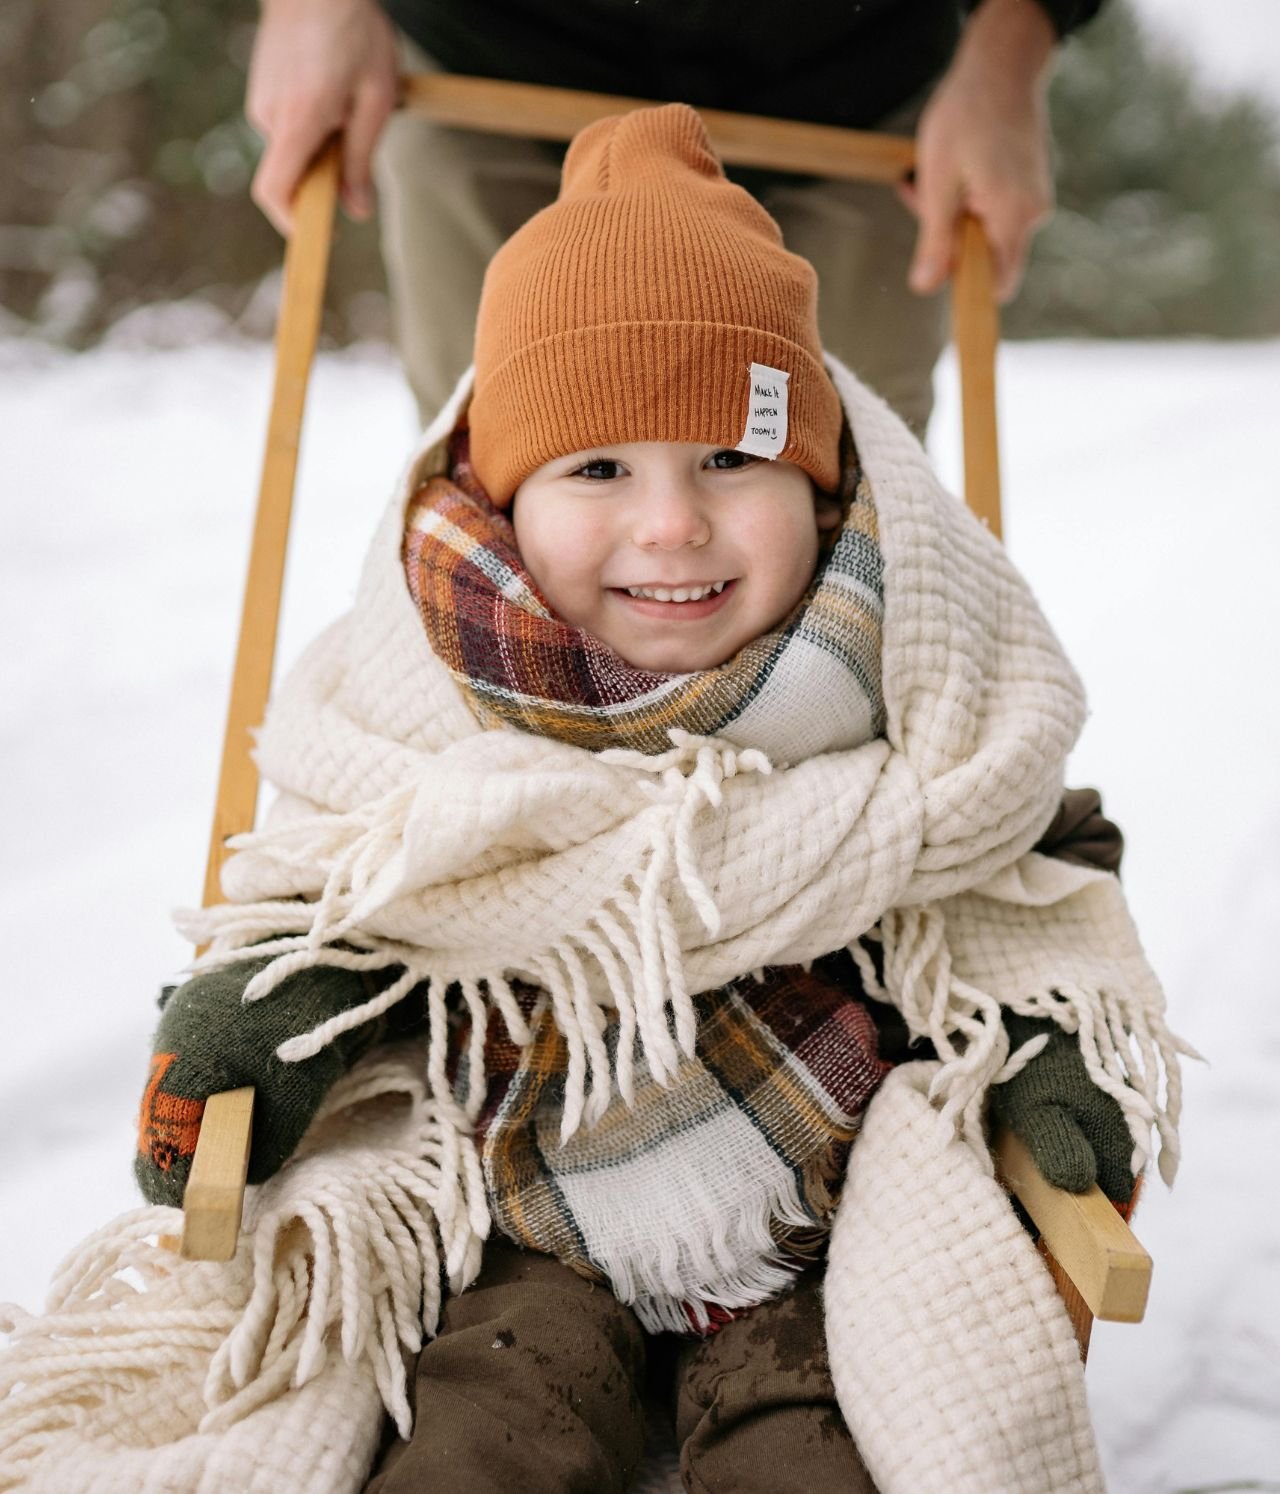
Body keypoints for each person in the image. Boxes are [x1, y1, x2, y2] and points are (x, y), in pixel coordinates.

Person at [134, 104, 1183, 1494]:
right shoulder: (419, 706)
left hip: (818, 1216)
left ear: (821, 488)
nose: (674, 523)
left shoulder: (920, 702)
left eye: (733, 459)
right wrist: (256, 1020)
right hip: (513, 1215)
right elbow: (342, 889)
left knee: (826, 1451)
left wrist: (1058, 1055)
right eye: (600, 468)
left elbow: (1035, 869)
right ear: (506, 500)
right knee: (478, 1445)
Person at [245, 0, 1096, 434]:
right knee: (492, 454)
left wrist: (1010, 49)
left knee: (860, 476)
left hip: (854, 83)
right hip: (489, 59)